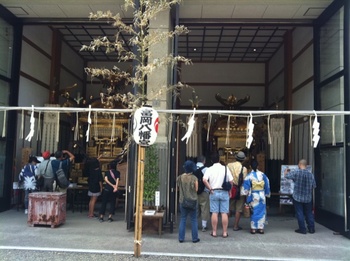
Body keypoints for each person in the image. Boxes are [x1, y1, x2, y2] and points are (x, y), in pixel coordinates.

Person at [203, 153, 233, 238]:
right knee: (224, 213)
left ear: (212, 160)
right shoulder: (225, 169)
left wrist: (210, 189)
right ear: (219, 159)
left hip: (214, 192)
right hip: (224, 192)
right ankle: (224, 232)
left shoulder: (210, 169)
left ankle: (214, 232)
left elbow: (204, 180)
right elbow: (231, 181)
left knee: (214, 212)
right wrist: (230, 191)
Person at [284, 159, 316, 234]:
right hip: (308, 198)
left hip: (297, 197)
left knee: (299, 213)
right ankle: (311, 228)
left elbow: (287, 176)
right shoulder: (311, 175)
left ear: (299, 164)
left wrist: (286, 171)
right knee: (309, 213)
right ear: (306, 165)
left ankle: (302, 229)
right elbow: (314, 185)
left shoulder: (296, 172)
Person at [242, 160, 270, 234]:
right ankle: (261, 228)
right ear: (258, 166)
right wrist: (267, 193)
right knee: (262, 211)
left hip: (254, 195)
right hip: (261, 194)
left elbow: (246, 187)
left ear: (250, 166)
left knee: (254, 211)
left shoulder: (249, 176)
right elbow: (267, 184)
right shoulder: (262, 175)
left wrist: (245, 194)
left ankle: (253, 228)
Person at [176, 160, 200, 243]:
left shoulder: (180, 177)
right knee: (193, 220)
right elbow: (196, 189)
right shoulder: (194, 178)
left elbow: (178, 187)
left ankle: (181, 238)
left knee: (183, 219)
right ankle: (195, 238)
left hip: (182, 200)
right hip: (193, 201)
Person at [227, 151, 248, 231]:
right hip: (239, 190)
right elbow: (244, 180)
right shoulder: (244, 169)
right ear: (243, 160)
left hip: (231, 189)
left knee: (228, 208)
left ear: (236, 158)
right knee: (238, 208)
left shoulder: (229, 165)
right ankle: (235, 226)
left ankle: (226, 224)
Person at [193, 155, 210, 232]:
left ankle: (195, 224)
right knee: (204, 208)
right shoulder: (207, 169)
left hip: (194, 192)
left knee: (195, 208)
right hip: (204, 191)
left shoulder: (192, 168)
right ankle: (204, 226)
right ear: (204, 161)